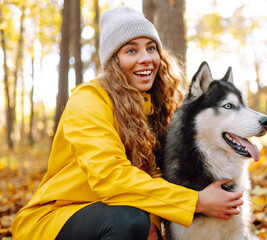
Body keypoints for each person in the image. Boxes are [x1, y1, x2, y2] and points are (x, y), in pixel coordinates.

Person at [10, 6, 244, 240]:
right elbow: (110, 177)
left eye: (151, 48)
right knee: (129, 221)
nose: (146, 59)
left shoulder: (160, 105)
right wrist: (196, 202)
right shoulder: (88, 101)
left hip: (121, 213)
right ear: (113, 61)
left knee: (136, 222)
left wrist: (153, 223)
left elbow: (155, 175)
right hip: (57, 219)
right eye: (131, 50)